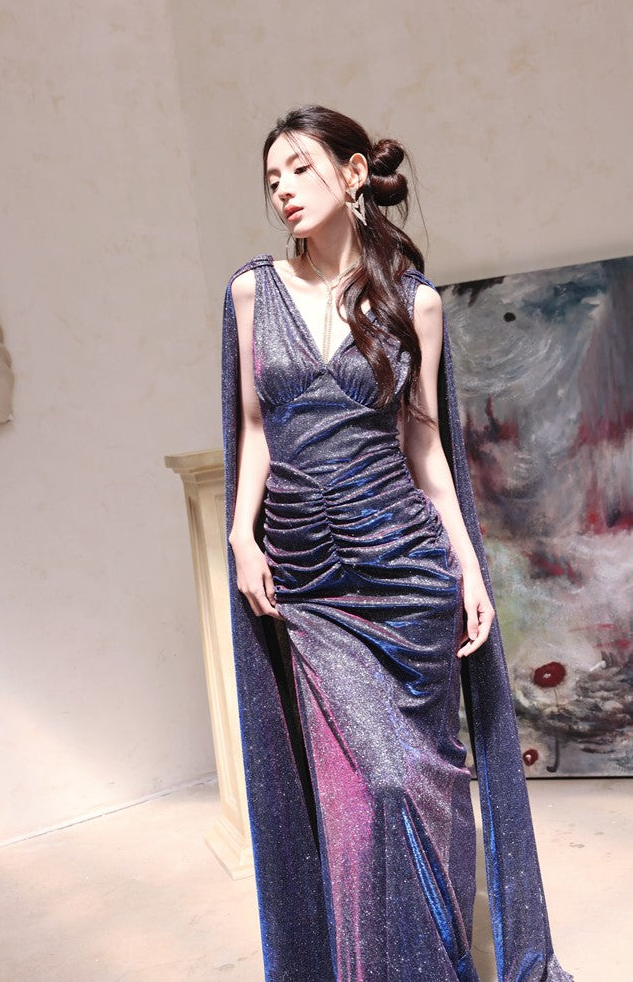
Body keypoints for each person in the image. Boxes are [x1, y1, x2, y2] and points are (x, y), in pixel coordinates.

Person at [221, 104, 573, 982]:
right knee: (364, 796)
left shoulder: (415, 302)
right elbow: (254, 428)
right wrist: (240, 533)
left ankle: (434, 959)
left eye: (300, 169)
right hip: (309, 582)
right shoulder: (252, 292)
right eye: (271, 179)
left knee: (423, 787)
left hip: (406, 572)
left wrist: (468, 569)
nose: (283, 190)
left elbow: (427, 450)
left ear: (352, 174)